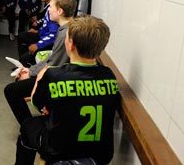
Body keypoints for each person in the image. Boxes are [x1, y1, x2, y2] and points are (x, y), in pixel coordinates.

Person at [15, 15, 119, 164]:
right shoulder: (109, 75)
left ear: (70, 45)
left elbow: (38, 104)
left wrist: (39, 79)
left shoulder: (53, 75)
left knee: (27, 127)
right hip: (101, 155)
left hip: (59, 151)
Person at [4, 0, 76, 126]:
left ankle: (29, 127)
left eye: (51, 7)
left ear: (60, 11)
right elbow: (52, 57)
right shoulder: (65, 29)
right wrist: (30, 70)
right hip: (57, 75)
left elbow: (53, 64)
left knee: (11, 90)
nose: (48, 9)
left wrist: (30, 74)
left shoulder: (65, 34)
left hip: (57, 81)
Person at [17, 0, 61, 66]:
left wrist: (38, 45)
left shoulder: (53, 10)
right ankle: (23, 63)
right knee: (22, 36)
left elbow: (53, 34)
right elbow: (46, 26)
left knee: (25, 57)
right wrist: (37, 31)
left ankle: (26, 64)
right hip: (42, 35)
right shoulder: (48, 7)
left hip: (47, 41)